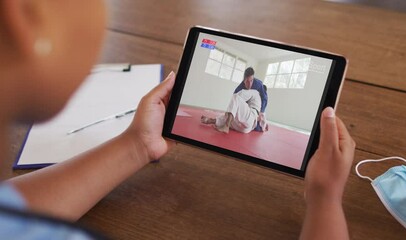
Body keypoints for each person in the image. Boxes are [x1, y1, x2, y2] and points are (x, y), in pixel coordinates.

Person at [0, 1, 355, 239]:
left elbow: (13, 210)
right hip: (238, 114)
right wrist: (325, 200)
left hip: (255, 114)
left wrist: (137, 144)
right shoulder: (239, 85)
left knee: (243, 109)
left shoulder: (259, 85)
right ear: (23, 18)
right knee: (232, 105)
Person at [200, 89, 267, 133]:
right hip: (244, 129)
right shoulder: (261, 109)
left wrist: (232, 106)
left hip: (250, 118)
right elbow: (263, 124)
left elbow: (241, 95)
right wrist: (265, 127)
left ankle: (226, 126)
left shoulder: (256, 93)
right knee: (230, 116)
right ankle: (210, 120)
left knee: (235, 97)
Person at [234, 67, 268, 132]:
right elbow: (234, 102)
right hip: (248, 107)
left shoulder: (258, 84)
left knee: (258, 128)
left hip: (257, 105)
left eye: (251, 80)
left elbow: (264, 98)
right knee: (244, 124)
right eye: (247, 81)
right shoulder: (239, 89)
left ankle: (264, 123)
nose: (250, 84)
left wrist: (261, 112)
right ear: (244, 80)